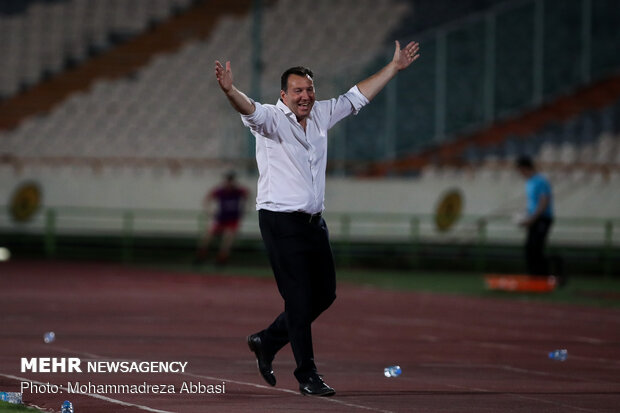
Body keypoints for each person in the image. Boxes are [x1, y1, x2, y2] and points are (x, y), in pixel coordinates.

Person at [215, 40, 420, 396]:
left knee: (324, 295)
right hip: (280, 221)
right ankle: (306, 374)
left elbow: (357, 97)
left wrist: (394, 67)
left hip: (313, 223)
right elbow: (248, 108)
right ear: (283, 94)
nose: (305, 95)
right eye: (298, 90)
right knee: (297, 298)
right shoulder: (270, 119)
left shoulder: (322, 113)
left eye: (310, 88)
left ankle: (267, 340)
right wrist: (231, 90)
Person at [195, 171, 248, 264]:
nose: (229, 183)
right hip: (220, 219)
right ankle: (201, 255)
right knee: (208, 236)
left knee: (228, 238)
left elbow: (248, 195)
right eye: (228, 181)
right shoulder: (220, 191)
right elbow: (207, 198)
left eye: (231, 181)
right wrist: (209, 211)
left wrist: (244, 210)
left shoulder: (238, 191)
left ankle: (222, 258)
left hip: (233, 220)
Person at [515, 156, 554, 276]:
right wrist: (525, 216)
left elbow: (544, 201)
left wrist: (533, 218)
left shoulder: (540, 181)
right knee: (529, 248)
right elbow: (532, 203)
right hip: (533, 218)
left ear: (525, 168)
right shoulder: (529, 182)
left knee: (537, 248)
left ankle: (542, 276)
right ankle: (533, 275)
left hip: (542, 218)